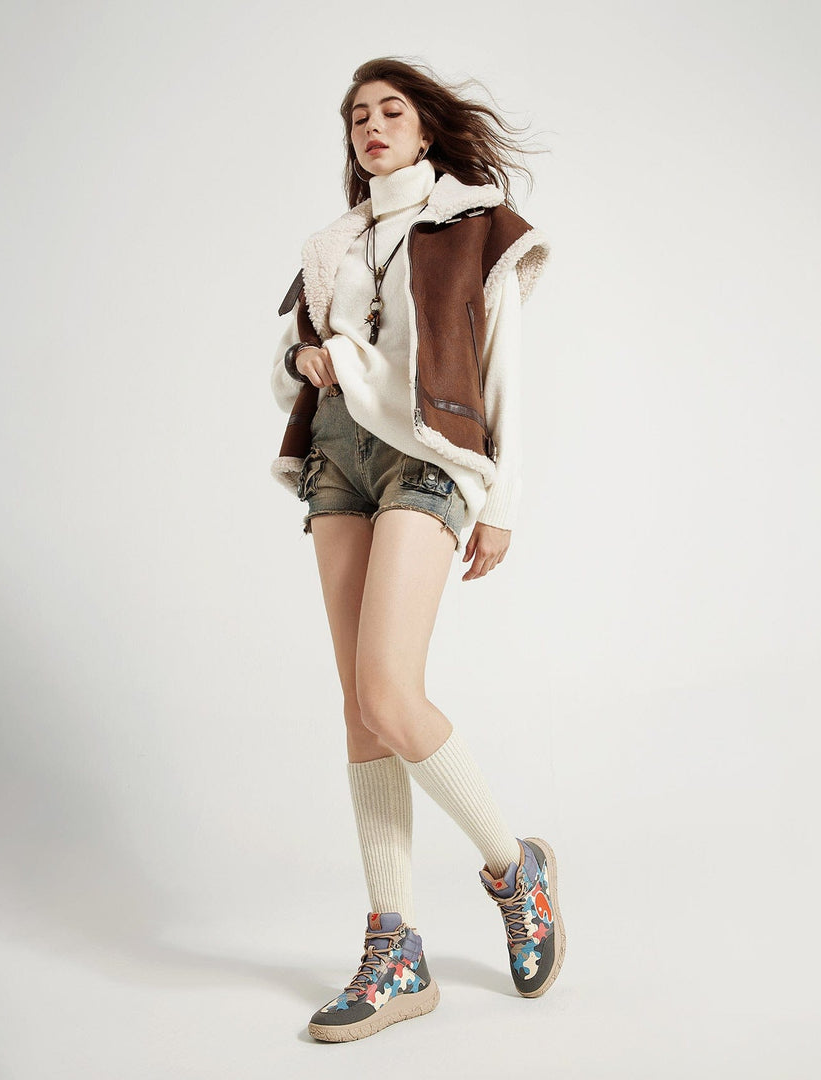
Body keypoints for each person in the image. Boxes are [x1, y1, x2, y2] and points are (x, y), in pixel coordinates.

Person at [269, 57, 565, 1042]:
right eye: (358, 115)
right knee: (361, 707)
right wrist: (303, 356)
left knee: (391, 692)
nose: (371, 126)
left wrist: (500, 501)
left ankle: (513, 868)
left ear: (426, 128)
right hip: (337, 457)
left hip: (430, 458)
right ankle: (395, 949)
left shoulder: (474, 224)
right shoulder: (332, 243)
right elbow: (290, 364)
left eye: (390, 110)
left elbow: (501, 365)